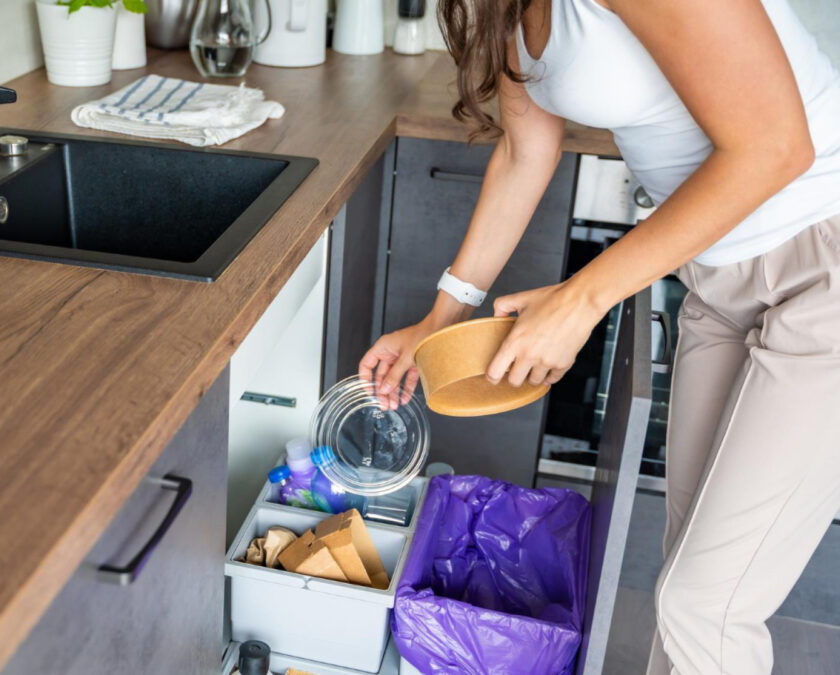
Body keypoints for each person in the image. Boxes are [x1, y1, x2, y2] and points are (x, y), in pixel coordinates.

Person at [358, 0, 840, 673]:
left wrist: (580, 299)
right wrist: (441, 316)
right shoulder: (501, 8)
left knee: (705, 605)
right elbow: (528, 149)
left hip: (823, 264)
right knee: (689, 581)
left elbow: (778, 147)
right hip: (718, 280)